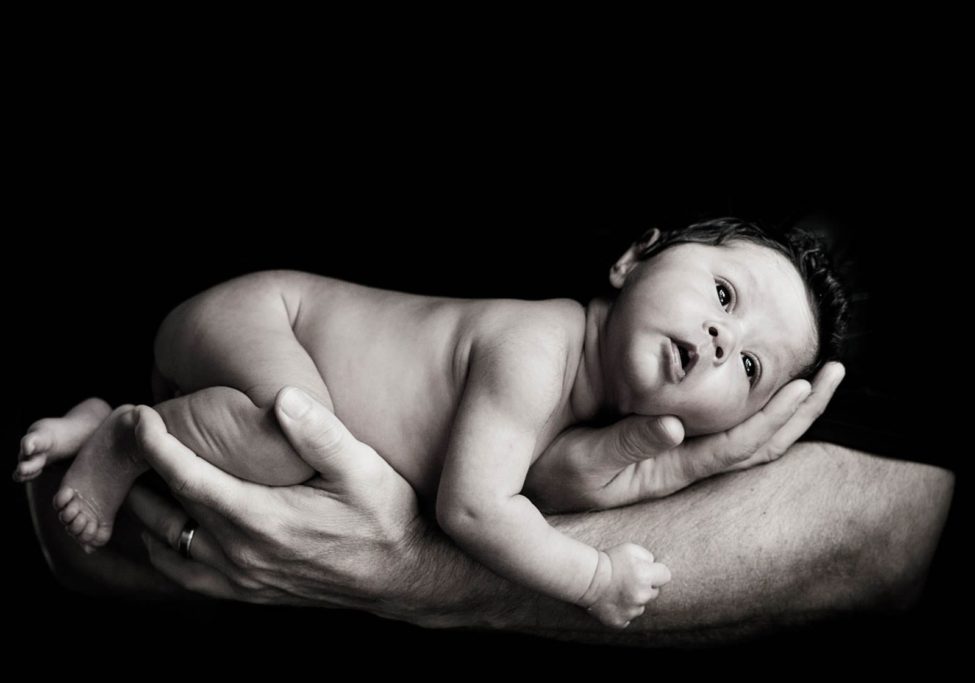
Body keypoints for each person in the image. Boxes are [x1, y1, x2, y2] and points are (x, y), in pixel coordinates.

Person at [17, 217, 848, 628]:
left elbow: (539, 489)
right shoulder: (536, 347)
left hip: (231, 371)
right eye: (724, 295)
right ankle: (130, 433)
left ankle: (102, 413)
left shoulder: (579, 420)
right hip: (268, 316)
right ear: (634, 259)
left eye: (748, 367)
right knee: (290, 436)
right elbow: (475, 509)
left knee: (262, 472)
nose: (718, 337)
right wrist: (592, 580)